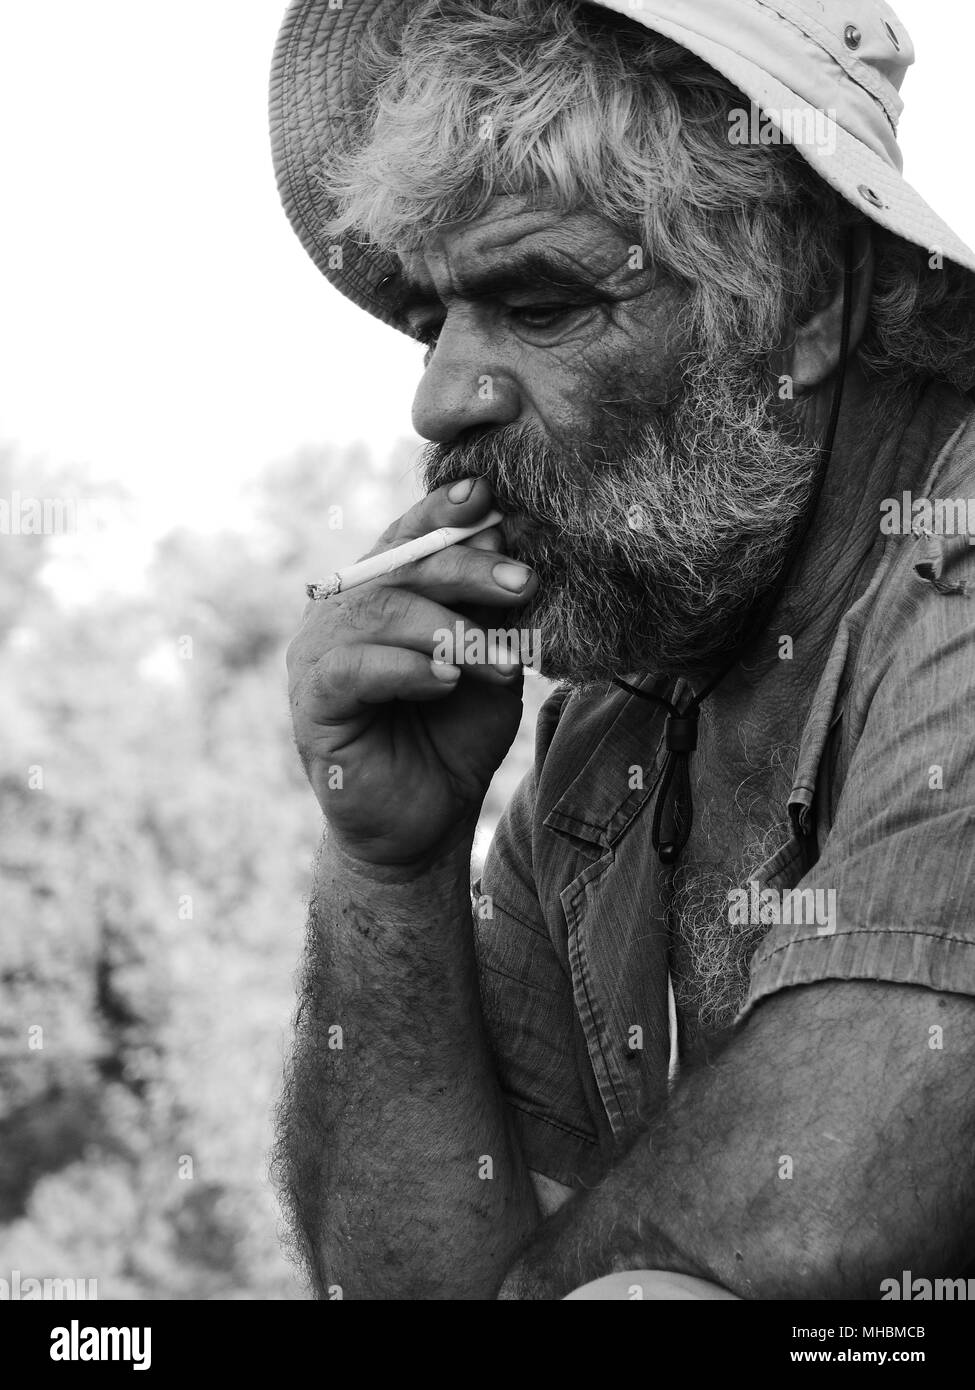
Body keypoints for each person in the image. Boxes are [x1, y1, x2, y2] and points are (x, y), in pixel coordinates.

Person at [269, 0, 975, 1299]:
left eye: (535, 300)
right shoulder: (614, 729)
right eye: (436, 320)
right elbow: (407, 1282)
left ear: (807, 295)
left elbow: (801, 1221)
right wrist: (387, 859)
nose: (437, 399)